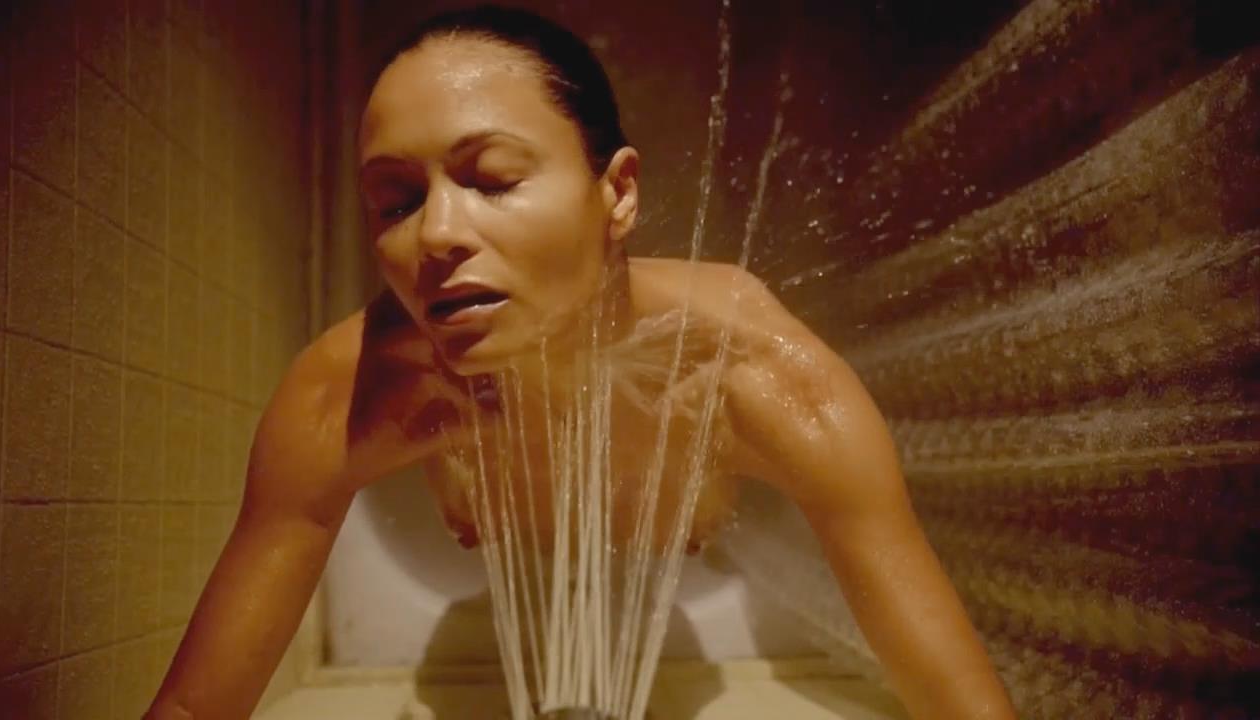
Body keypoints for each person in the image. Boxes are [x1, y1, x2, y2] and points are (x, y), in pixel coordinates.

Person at [147, 6, 1016, 719]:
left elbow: (964, 705)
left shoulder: (753, 373)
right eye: (397, 201)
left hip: (671, 523)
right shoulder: (352, 390)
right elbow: (191, 706)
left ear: (619, 194)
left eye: (491, 179)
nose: (436, 233)